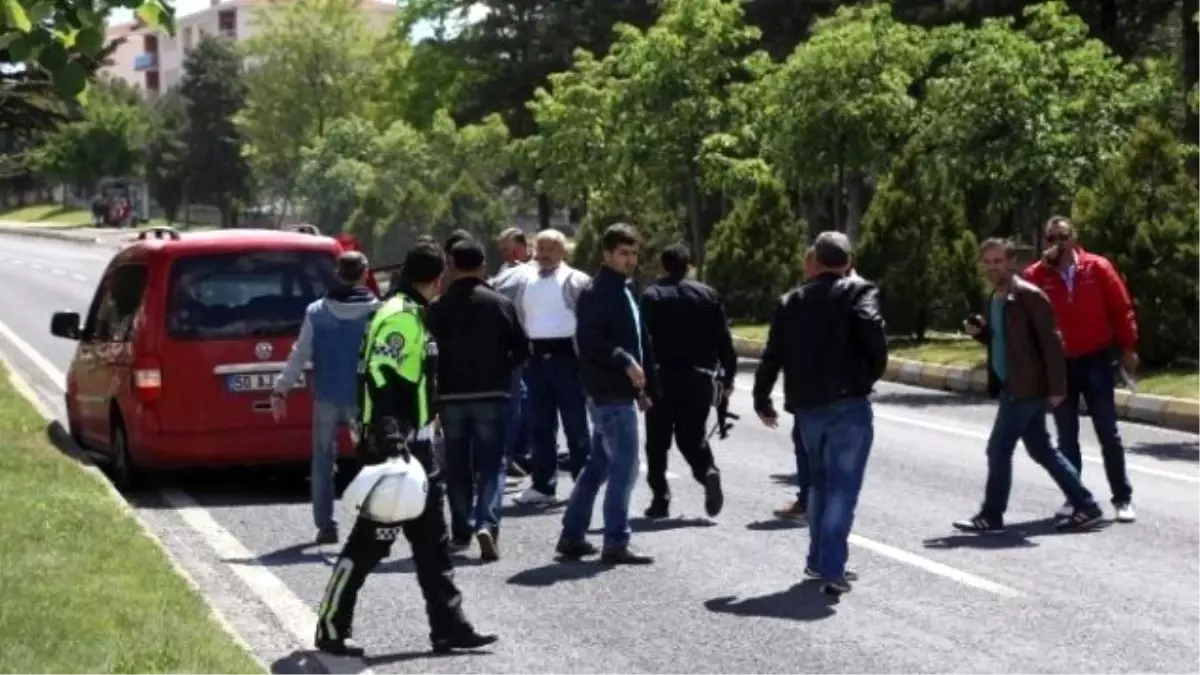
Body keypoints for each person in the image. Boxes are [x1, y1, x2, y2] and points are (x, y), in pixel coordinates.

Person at [314, 242, 498, 658]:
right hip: (394, 450)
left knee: (434, 545)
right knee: (370, 543)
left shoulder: (411, 311)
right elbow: (382, 378)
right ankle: (330, 627)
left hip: (419, 449)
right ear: (439, 277)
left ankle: (449, 627)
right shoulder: (399, 317)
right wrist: (392, 438)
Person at [752, 232, 887, 596]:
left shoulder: (790, 301)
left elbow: (772, 354)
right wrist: (868, 374)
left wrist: (761, 396)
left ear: (816, 261)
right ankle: (832, 567)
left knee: (818, 486)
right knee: (842, 488)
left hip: (808, 409)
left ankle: (818, 559)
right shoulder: (860, 292)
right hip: (848, 405)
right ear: (847, 261)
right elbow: (873, 333)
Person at [955, 237, 1105, 536]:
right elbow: (1006, 341)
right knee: (1042, 449)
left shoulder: (1028, 295)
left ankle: (991, 514)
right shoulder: (997, 297)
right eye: (987, 262)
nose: (993, 267)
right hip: (1014, 383)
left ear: (1012, 262)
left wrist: (1058, 387)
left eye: (998, 261)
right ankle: (1086, 505)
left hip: (1024, 387)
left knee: (998, 449)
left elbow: (1052, 343)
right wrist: (981, 333)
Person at [1024, 216, 1138, 523]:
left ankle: (1122, 498)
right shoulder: (1037, 275)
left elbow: (1120, 307)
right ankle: (1075, 496)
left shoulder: (1097, 268)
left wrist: (1128, 347)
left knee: (1107, 431)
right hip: (1059, 364)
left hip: (1096, 359)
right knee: (1066, 434)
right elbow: (1023, 314)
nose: (1056, 244)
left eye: (1062, 236)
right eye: (1050, 238)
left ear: (1074, 238)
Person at [557, 223, 657, 565]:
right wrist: (624, 360)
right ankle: (615, 540)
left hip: (620, 392)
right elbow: (590, 340)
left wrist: (647, 384)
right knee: (625, 469)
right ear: (607, 254)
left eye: (634, 253)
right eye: (623, 253)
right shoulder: (598, 291)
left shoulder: (623, 289)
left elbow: (640, 339)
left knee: (598, 467)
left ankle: (572, 535)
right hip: (608, 393)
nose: (630, 260)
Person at [428, 239, 529, 562]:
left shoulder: (437, 309)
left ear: (451, 266)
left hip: (451, 396)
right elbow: (523, 350)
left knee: (457, 466)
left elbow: (427, 355)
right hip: (492, 394)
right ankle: (487, 523)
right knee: (492, 464)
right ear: (483, 265)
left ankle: (461, 530)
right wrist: (502, 371)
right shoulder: (500, 304)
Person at [271, 251, 380, 545]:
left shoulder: (317, 311)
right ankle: (367, 522)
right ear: (364, 273)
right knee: (369, 461)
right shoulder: (377, 313)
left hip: (326, 398)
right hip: (362, 399)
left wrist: (281, 389)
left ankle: (326, 526)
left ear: (337, 274)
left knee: (322, 462)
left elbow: (300, 354)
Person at [495, 228, 593, 506]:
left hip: (568, 361)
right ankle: (543, 486)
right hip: (535, 361)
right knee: (540, 427)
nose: (545, 255)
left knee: (575, 426)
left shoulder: (577, 280)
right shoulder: (523, 278)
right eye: (541, 249)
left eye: (552, 249)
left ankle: (582, 483)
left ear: (563, 252)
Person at [639, 243, 736, 519]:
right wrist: (728, 377)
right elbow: (724, 341)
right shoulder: (708, 295)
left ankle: (660, 499)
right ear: (689, 265)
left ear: (662, 266)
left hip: (661, 378)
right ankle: (708, 472)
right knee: (692, 437)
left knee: (658, 441)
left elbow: (642, 341)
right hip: (699, 379)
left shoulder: (652, 296)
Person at [773, 246, 818, 522]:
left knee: (806, 446)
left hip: (810, 392)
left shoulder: (796, 302)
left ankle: (809, 501)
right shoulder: (854, 295)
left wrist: (762, 395)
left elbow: (775, 350)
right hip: (844, 393)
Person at [492, 227, 535, 478]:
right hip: (514, 349)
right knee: (517, 403)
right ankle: (509, 455)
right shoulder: (506, 273)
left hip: (535, 346)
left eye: (509, 249)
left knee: (526, 403)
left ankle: (519, 453)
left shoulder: (535, 271)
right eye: (503, 251)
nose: (506, 255)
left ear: (522, 247)